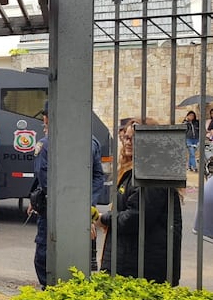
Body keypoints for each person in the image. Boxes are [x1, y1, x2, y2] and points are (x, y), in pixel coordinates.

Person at [95, 118, 182, 286]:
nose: (128, 142)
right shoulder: (137, 171)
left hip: (142, 266)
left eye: (134, 138)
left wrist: (104, 219)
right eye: (126, 137)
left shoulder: (151, 174)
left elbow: (136, 218)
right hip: (133, 261)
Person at [28, 101, 105, 288]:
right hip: (79, 209)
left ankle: (50, 292)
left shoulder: (45, 144)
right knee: (75, 252)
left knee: (44, 256)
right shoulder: (91, 140)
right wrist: (86, 203)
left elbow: (44, 179)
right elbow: (98, 176)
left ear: (47, 118)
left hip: (52, 211)